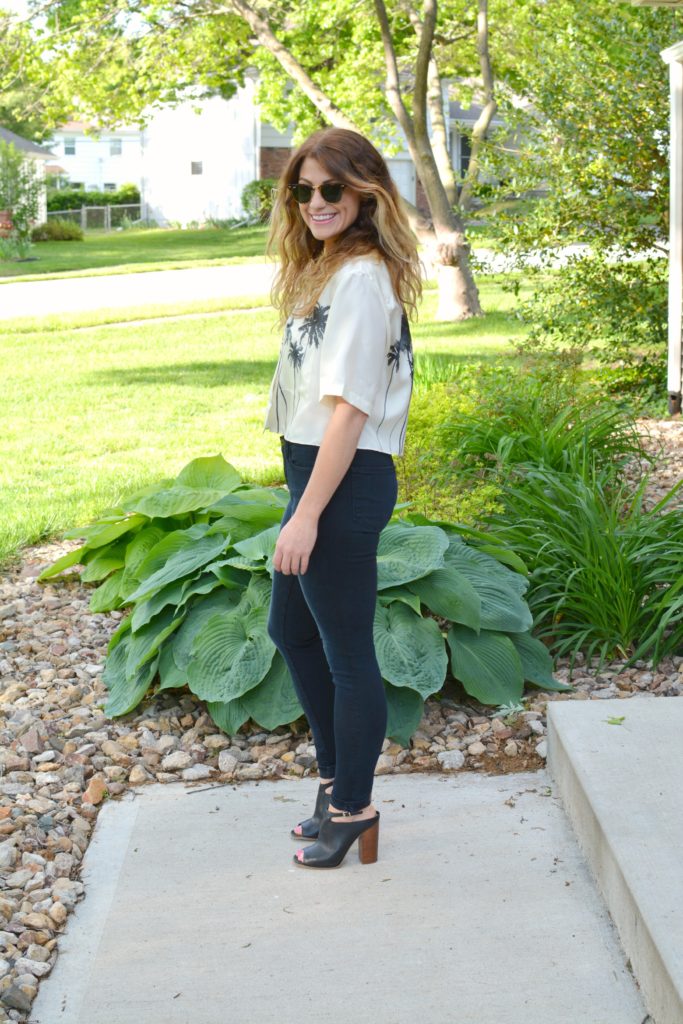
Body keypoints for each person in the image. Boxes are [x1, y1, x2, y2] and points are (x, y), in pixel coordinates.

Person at [263, 127, 422, 869]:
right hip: (319, 470)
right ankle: (335, 785)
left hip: (344, 478)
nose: (316, 201)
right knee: (291, 631)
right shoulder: (334, 268)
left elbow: (350, 409)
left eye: (332, 188)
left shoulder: (360, 279)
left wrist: (306, 512)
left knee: (347, 653)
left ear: (365, 192)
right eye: (304, 188)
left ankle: (353, 806)